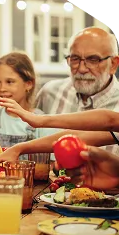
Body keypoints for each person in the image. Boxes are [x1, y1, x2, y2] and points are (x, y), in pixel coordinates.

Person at [35, 26, 119, 155]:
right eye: (75, 59)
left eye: (93, 60)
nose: (82, 69)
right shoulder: (50, 93)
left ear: (113, 64)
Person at [0, 51, 59, 168]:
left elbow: (53, 167)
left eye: (10, 82)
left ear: (28, 84)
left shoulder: (44, 123)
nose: (2, 88)